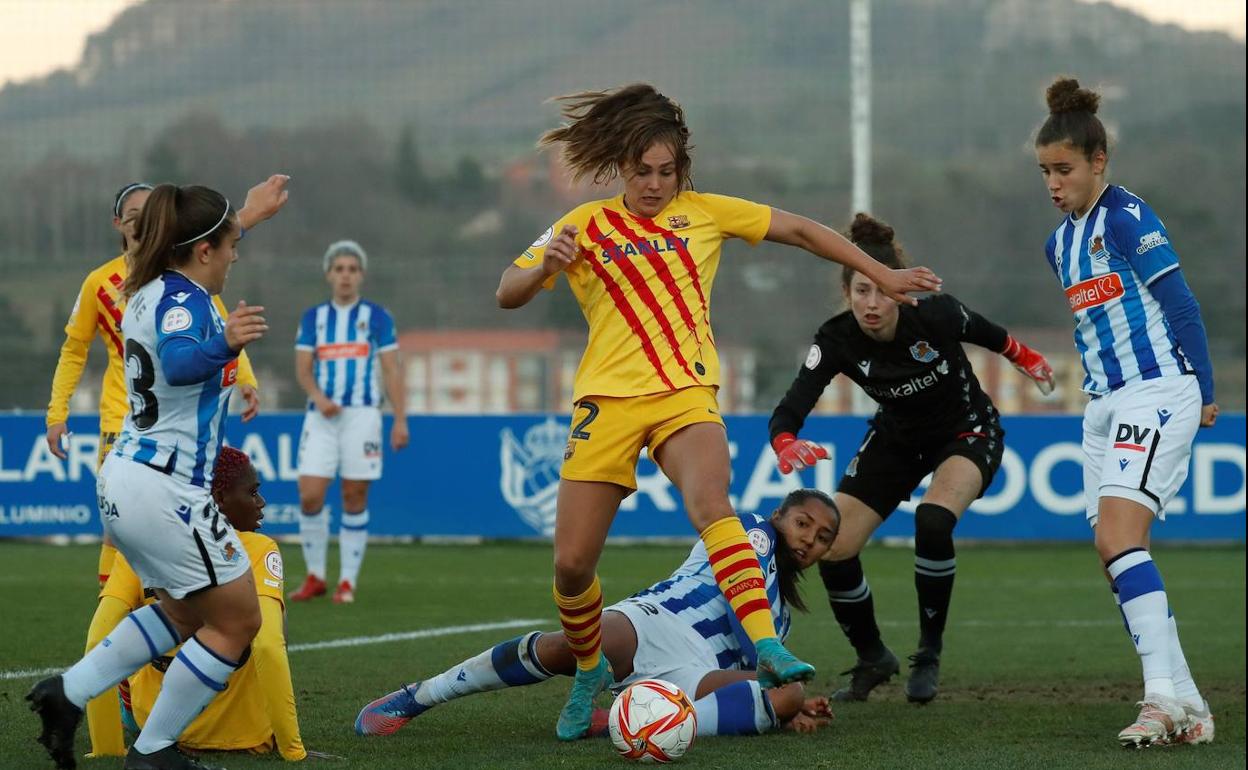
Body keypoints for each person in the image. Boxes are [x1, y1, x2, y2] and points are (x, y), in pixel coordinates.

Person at [494, 83, 942, 739]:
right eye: (642, 171)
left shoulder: (704, 214)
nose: (653, 184)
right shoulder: (582, 225)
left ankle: (767, 644)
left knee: (714, 505)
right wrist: (542, 270)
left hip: (685, 395)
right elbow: (507, 291)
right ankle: (590, 668)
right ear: (622, 166)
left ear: (682, 171)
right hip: (606, 405)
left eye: (665, 172)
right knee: (571, 566)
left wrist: (884, 273)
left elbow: (801, 230)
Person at [27, 176, 289, 770]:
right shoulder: (185, 303)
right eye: (228, 246)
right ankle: (153, 752)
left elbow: (196, 250)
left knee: (184, 611)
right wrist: (223, 341)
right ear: (202, 251)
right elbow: (177, 359)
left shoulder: (144, 283)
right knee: (239, 619)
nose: (234, 254)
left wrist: (247, 215)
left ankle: (66, 694)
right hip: (166, 488)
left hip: (127, 476)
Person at [768, 213, 1055, 705]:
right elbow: (792, 404)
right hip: (897, 439)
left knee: (933, 520)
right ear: (848, 293)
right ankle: (873, 656)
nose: (871, 304)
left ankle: (929, 651)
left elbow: (995, 337)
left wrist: (1028, 360)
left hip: (967, 430)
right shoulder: (836, 339)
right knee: (834, 547)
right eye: (861, 291)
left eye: (881, 291)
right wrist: (785, 441)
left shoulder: (935, 315)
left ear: (900, 290)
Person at [1033, 78, 1217, 747]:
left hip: (1159, 388)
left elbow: (1181, 303)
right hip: (1103, 406)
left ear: (1098, 162)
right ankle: (1190, 702)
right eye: (1046, 172)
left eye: (1065, 170)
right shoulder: (1060, 245)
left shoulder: (1127, 218)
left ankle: (1160, 698)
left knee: (1118, 538)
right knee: (1115, 550)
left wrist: (1205, 386)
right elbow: (1094, 323)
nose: (1054, 183)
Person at [356, 490, 840, 740]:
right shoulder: (750, 531)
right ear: (778, 516)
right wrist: (765, 664)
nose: (807, 539)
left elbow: (743, 675)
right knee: (572, 642)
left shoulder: (782, 621)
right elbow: (742, 612)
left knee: (790, 694)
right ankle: (422, 695)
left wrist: (783, 706)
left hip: (694, 673)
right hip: (656, 623)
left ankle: (611, 720)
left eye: (821, 538)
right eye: (802, 523)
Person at [44, 182, 262, 590]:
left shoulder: (173, 280)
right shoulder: (109, 283)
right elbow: (75, 351)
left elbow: (220, 326)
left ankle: (136, 632)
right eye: (135, 219)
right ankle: (115, 616)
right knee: (131, 540)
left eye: (154, 217)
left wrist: (245, 379)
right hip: (128, 424)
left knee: (169, 553)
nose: (147, 225)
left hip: (183, 427)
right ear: (119, 225)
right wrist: (57, 412)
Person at [84, 447, 306, 761]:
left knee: (132, 645)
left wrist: (107, 749)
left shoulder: (138, 547)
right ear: (218, 499)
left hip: (153, 728)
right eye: (253, 492)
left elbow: (97, 641)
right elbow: (269, 646)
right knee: (270, 624)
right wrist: (293, 751)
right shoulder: (257, 548)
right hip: (241, 735)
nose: (261, 502)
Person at [288, 240, 408, 605]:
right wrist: (319, 397)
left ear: (361, 276)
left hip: (362, 416)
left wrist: (399, 418)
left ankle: (347, 581)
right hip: (321, 416)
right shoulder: (313, 318)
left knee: (354, 494)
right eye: (339, 269)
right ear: (329, 274)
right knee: (310, 494)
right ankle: (314, 575)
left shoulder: (377, 317)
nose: (345, 275)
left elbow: (390, 369)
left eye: (352, 269)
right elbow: (303, 369)